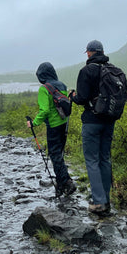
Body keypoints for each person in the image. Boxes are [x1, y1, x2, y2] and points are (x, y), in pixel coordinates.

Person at [69, 40, 115, 216]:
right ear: (102, 51)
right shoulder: (113, 70)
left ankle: (98, 202)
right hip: (109, 121)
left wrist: (73, 96)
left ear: (89, 53)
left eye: (87, 52)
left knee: (92, 161)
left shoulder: (86, 71)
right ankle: (106, 200)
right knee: (105, 159)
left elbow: (82, 98)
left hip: (91, 121)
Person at [26, 62, 76, 197]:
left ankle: (67, 182)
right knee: (58, 154)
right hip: (63, 124)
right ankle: (60, 187)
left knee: (54, 155)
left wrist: (34, 123)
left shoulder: (44, 89)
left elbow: (45, 110)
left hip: (53, 126)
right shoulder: (62, 85)